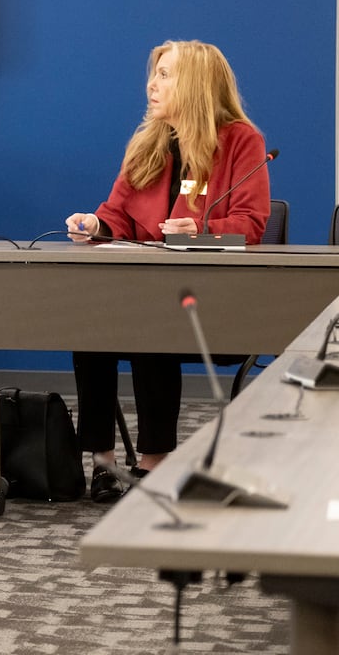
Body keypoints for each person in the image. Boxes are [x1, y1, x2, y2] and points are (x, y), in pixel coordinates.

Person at [64, 39, 269, 502]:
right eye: (153, 73)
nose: (152, 85)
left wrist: (198, 228)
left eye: (165, 75)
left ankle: (153, 461)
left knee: (150, 326)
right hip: (150, 296)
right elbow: (116, 215)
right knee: (89, 325)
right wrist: (94, 224)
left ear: (194, 84)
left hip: (211, 304)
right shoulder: (148, 144)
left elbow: (252, 227)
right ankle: (102, 461)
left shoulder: (240, 141)